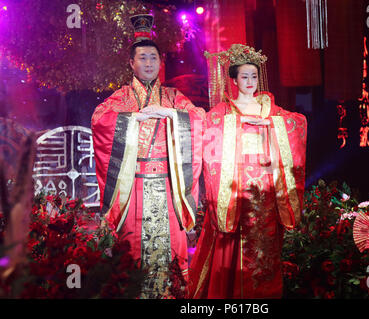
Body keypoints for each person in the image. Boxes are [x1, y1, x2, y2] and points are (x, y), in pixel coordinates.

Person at [91, 14, 204, 298]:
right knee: (133, 248)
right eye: (142, 58)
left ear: (160, 62)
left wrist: (170, 114)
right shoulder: (120, 99)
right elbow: (99, 120)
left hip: (168, 187)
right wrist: (133, 119)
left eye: (153, 58)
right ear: (131, 63)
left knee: (172, 255)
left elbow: (199, 119)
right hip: (134, 188)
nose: (149, 63)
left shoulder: (174, 97)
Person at [188, 44, 307, 298]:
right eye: (244, 76)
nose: (250, 81)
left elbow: (297, 122)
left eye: (254, 76)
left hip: (266, 185)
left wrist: (269, 123)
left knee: (265, 245)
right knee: (232, 243)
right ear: (234, 80)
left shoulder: (272, 110)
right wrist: (239, 123)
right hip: (235, 186)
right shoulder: (224, 112)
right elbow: (208, 126)